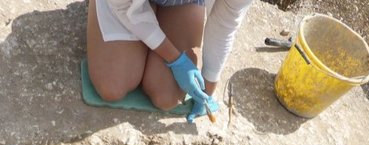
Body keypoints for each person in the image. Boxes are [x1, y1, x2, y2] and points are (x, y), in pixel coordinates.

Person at [86, 0, 253, 122]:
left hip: (181, 3)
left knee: (167, 97)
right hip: (124, 4)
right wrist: (176, 59)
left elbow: (226, 22)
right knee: (112, 86)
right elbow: (123, 7)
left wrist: (207, 89)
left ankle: (158, 14)